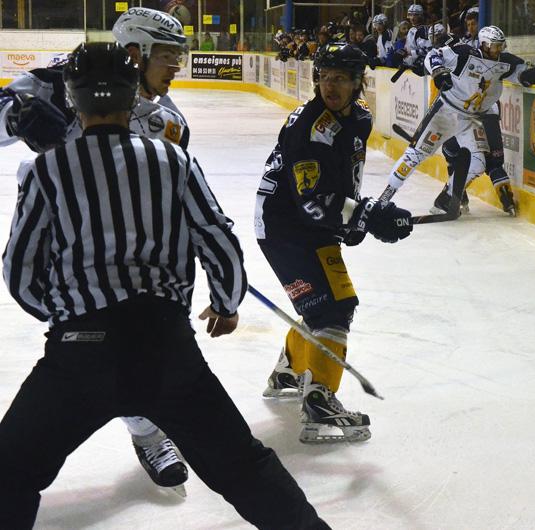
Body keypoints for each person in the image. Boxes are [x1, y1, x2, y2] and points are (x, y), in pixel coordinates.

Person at [0, 41, 329, 530]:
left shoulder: (48, 169)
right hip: (165, 349)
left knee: (10, 472)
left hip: (78, 357)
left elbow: (20, 270)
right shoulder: (173, 160)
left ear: (72, 99)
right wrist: (226, 304)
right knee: (244, 468)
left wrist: (69, 316)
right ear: (133, 95)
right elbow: (218, 239)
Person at [0, 6, 191, 493]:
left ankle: (144, 431)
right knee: (86, 348)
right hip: (55, 243)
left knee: (122, 342)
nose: (176, 66)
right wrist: (15, 117)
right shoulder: (62, 80)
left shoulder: (168, 122)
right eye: (168, 56)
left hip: (123, 252)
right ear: (136, 52)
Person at [255, 42, 413, 443]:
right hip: (285, 226)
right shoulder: (308, 128)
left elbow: (339, 180)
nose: (330, 86)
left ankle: (289, 372)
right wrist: (365, 216)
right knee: (334, 308)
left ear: (358, 82)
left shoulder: (358, 117)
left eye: (340, 78)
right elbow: (311, 200)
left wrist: (355, 218)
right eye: (325, 77)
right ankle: (319, 402)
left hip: (307, 224)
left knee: (320, 305)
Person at [385, 26, 535, 213]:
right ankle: (385, 197)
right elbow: (433, 55)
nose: (498, 50)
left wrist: (529, 74)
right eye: (495, 46)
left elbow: (520, 72)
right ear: (484, 44)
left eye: (501, 46)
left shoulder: (505, 62)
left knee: (478, 162)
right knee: (415, 155)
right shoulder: (465, 54)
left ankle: (446, 199)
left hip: (470, 120)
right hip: (445, 113)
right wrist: (438, 71)